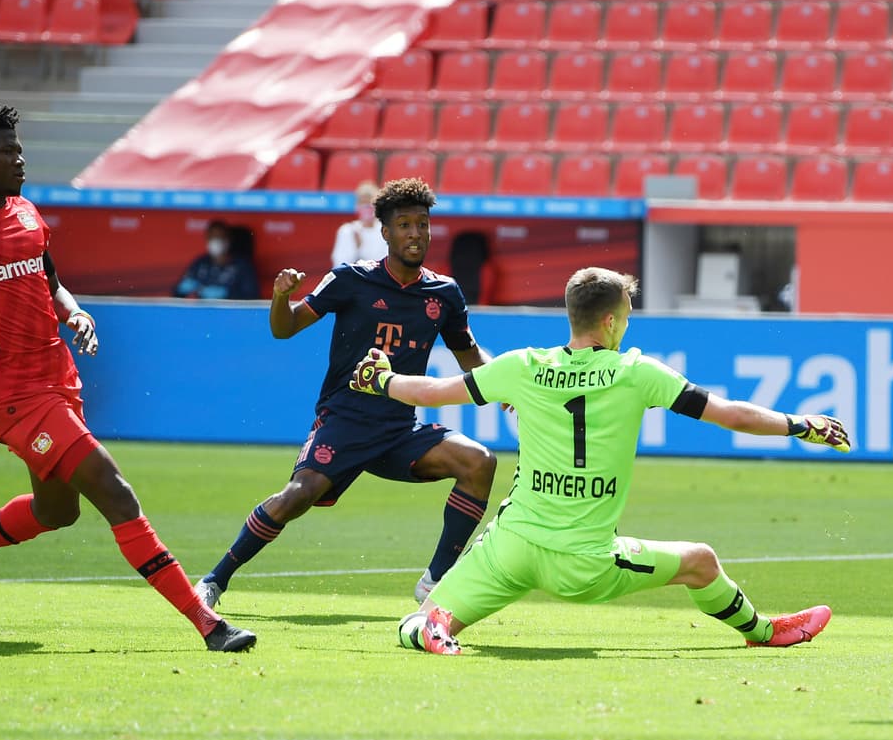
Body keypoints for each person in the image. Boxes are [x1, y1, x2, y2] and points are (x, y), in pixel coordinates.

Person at [0, 102, 256, 653]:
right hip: (12, 395)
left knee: (57, 511)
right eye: (7, 151)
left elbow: (50, 282)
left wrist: (74, 312)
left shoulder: (28, 213)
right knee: (115, 493)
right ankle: (209, 624)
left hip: (58, 380)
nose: (19, 158)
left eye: (19, 148)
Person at [349, 267, 851, 655]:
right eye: (626, 317)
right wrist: (800, 424)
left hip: (511, 547)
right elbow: (731, 415)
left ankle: (429, 632)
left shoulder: (523, 366)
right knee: (700, 561)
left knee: (427, 615)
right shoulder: (636, 372)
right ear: (609, 321)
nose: (626, 327)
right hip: (583, 562)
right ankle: (763, 632)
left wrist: (382, 380)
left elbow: (433, 392)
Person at [196, 178, 498, 611]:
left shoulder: (444, 293)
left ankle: (434, 582)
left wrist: (504, 383)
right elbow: (284, 328)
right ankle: (213, 581)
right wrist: (281, 297)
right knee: (298, 495)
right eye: (405, 225)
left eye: (423, 224)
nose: (416, 234)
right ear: (385, 232)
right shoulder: (349, 279)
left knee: (479, 462)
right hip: (344, 423)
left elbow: (469, 355)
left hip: (399, 429)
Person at [173, 220, 260, 300]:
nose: (216, 241)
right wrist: (181, 289)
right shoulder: (200, 263)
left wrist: (227, 294)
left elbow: (252, 297)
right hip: (203, 310)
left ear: (229, 239)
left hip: (230, 311)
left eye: (220, 237)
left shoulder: (243, 266)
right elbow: (176, 294)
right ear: (207, 238)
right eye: (212, 237)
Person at [329, 181, 386, 268]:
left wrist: (362, 248)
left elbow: (385, 263)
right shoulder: (347, 231)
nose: (366, 207)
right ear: (357, 206)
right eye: (362, 203)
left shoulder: (386, 231)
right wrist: (356, 247)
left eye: (370, 203)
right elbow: (339, 265)